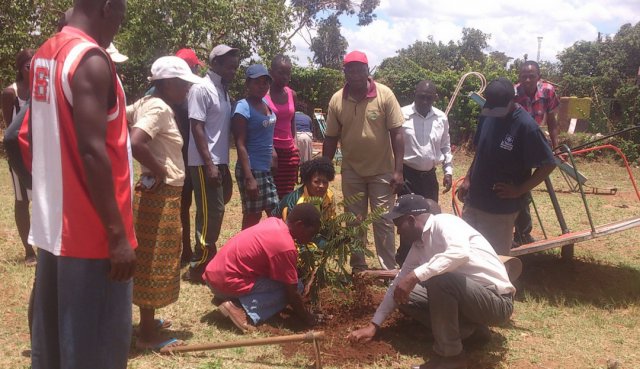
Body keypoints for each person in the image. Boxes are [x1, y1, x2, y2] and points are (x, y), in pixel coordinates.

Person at [28, 0, 137, 368]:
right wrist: (118, 237)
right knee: (97, 350)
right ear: (107, 6)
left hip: (54, 229)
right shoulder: (90, 60)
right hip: (95, 239)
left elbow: (25, 136)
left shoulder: (46, 53)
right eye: (122, 11)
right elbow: (93, 152)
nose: (122, 21)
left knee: (57, 347)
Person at [347, 194, 515, 369]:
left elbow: (460, 253)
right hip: (470, 302)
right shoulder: (419, 245)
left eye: (399, 225)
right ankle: (469, 332)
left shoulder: (445, 223)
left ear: (411, 220)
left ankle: (452, 358)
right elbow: (398, 283)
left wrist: (414, 276)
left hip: (496, 301)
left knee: (440, 280)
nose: (398, 232)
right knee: (402, 293)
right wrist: (374, 325)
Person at [128, 56, 202, 350]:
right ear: (169, 83)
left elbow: (119, 116)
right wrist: (159, 169)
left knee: (150, 257)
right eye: (183, 83)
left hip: (153, 194)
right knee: (156, 259)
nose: (186, 89)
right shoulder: (158, 107)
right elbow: (136, 141)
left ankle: (149, 321)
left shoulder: (146, 103)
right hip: (162, 194)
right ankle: (147, 334)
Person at [323, 50, 405, 272]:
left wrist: (398, 170)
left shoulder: (385, 95)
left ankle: (388, 269)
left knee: (384, 220)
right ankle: (358, 266)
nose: (356, 73)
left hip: (382, 171)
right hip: (351, 171)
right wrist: (323, 167)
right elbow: (330, 137)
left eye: (360, 69)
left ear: (368, 70)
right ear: (345, 72)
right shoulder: (337, 99)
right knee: (354, 220)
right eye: (351, 69)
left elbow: (397, 132)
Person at [457, 77, 556, 256]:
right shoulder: (487, 114)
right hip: (474, 201)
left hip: (500, 208)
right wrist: (468, 177)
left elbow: (548, 164)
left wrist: (519, 190)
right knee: (466, 253)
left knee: (494, 258)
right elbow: (480, 150)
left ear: (513, 100)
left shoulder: (526, 126)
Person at [203, 203, 321, 332]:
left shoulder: (273, 222)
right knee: (296, 286)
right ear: (299, 225)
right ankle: (238, 307)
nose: (311, 239)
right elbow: (292, 293)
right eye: (311, 233)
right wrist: (307, 317)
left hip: (214, 276)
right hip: (225, 283)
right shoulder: (285, 246)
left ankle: (228, 297)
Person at [185, 44, 239, 283]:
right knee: (210, 212)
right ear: (214, 63)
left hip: (220, 160)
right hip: (205, 161)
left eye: (235, 67)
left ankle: (207, 255)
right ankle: (199, 265)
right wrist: (209, 164)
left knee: (217, 207)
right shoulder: (201, 88)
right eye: (229, 66)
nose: (234, 70)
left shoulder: (223, 90)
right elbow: (196, 126)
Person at [513, 61, 561, 245]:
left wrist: (556, 147)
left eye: (531, 76)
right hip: (518, 144)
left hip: (539, 139)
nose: (526, 79)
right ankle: (522, 232)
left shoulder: (548, 91)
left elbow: (552, 121)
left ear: (538, 78)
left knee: (545, 170)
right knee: (521, 188)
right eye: (523, 76)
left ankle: (523, 232)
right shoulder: (514, 93)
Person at [232, 64, 279, 229]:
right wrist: (249, 177)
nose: (262, 86)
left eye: (265, 82)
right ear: (248, 84)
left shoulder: (265, 102)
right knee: (253, 217)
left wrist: (273, 153)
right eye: (257, 82)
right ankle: (243, 252)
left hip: (265, 168)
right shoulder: (242, 107)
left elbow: (266, 133)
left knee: (274, 213)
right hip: (251, 168)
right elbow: (240, 143)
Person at [1, 48, 36, 265]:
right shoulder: (10, 93)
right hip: (19, 155)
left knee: (43, 199)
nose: (32, 69)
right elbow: (9, 128)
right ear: (20, 68)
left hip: (40, 154)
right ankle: (29, 251)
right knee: (22, 200)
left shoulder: (42, 88)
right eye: (28, 66)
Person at [173, 47, 204, 265]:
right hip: (188, 158)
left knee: (184, 206)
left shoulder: (178, 92)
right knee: (190, 206)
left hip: (185, 156)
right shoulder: (192, 92)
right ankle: (187, 248)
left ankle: (187, 248)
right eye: (194, 67)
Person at [266, 54, 300, 198]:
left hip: (289, 152)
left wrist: (295, 144)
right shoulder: (264, 96)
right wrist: (271, 150)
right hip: (270, 151)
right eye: (281, 73)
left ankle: (283, 222)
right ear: (271, 72)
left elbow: (292, 121)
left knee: (287, 197)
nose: (285, 77)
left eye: (288, 73)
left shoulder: (292, 94)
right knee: (270, 198)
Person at [272, 156, 336, 222]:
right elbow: (291, 228)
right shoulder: (296, 204)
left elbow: (331, 223)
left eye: (325, 182)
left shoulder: (329, 196)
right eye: (316, 182)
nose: (321, 186)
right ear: (307, 182)